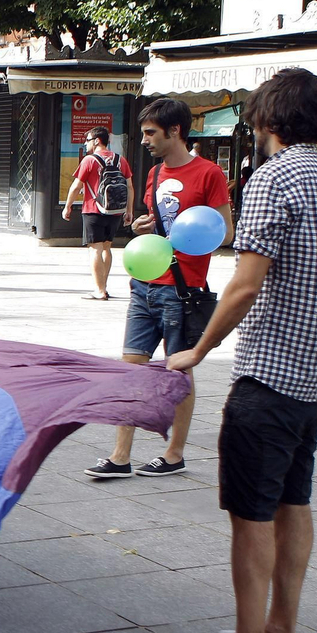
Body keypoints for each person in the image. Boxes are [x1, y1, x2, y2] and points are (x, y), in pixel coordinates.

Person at [165, 69, 317, 633]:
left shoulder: (274, 179)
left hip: (269, 375)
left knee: (251, 510)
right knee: (293, 498)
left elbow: (245, 285)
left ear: (266, 119)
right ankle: (282, 628)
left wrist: (196, 351)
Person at [86, 98, 233, 480]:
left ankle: (174, 453)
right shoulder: (153, 175)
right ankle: (120, 456)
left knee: (178, 372)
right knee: (130, 369)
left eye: (151, 133)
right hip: (145, 286)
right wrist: (142, 227)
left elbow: (225, 231)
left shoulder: (209, 173)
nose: (146, 140)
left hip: (183, 291)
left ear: (175, 131)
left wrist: (193, 236)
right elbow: (159, 227)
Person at [63, 126, 134, 301]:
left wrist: (68, 205)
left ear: (96, 141)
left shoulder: (89, 160)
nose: (85, 144)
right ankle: (104, 286)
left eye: (87, 140)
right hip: (115, 210)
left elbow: (76, 186)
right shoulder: (120, 160)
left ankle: (99, 290)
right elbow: (130, 186)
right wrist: (129, 211)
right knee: (107, 248)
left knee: (95, 249)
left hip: (93, 209)